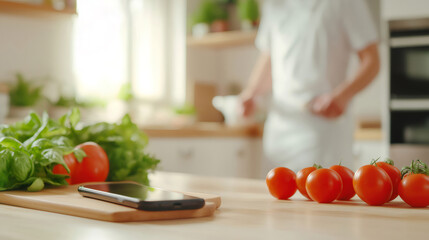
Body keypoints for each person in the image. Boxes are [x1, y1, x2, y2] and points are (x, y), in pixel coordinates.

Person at [240, 0, 380, 173]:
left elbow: (372, 61)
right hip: (279, 129)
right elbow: (271, 56)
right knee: (274, 196)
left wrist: (341, 96)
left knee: (321, 193)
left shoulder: (345, 3)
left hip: (322, 128)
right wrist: (251, 93)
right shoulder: (273, 4)